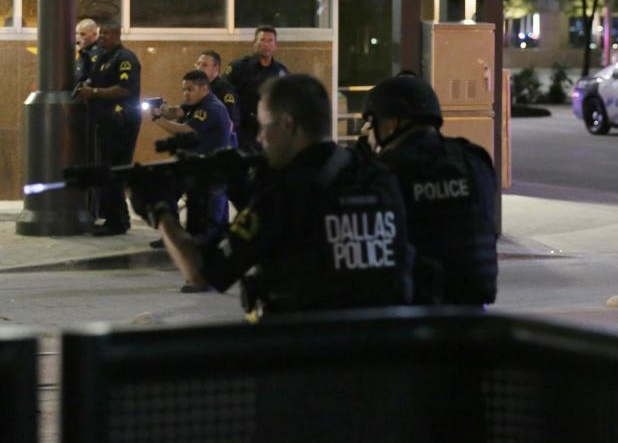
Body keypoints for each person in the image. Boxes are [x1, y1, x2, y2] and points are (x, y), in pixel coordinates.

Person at [132, 74, 413, 319]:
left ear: (288, 124)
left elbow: (203, 271)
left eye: (265, 126)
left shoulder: (285, 190)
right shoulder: (378, 177)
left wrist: (159, 211)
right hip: (380, 350)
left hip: (307, 354)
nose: (260, 139)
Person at [361, 75, 498, 306]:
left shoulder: (387, 170)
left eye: (374, 123)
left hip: (418, 313)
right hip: (474, 308)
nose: (371, 133)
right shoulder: (474, 159)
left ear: (392, 123)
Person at [150, 70, 233, 270]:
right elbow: (179, 110)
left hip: (210, 171)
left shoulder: (211, 108)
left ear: (204, 87)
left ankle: (206, 267)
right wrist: (163, 109)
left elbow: (187, 130)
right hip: (196, 167)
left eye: (190, 89)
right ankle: (180, 239)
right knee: (166, 192)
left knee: (208, 221)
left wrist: (158, 120)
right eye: (184, 89)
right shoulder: (199, 103)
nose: (186, 93)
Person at [76, 21, 141, 236]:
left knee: (115, 170)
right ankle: (114, 217)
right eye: (100, 33)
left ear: (117, 34)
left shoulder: (125, 58)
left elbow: (124, 89)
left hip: (122, 123)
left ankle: (118, 221)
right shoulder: (102, 58)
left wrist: (93, 92)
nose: (101, 37)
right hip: (105, 123)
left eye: (106, 33)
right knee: (107, 170)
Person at [226, 26, 288, 153]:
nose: (266, 44)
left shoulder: (281, 72)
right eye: (262, 40)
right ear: (254, 43)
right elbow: (225, 94)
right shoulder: (239, 67)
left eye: (270, 41)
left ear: (275, 45)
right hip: (244, 131)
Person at [194, 50, 240, 146]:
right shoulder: (198, 89)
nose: (199, 68)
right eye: (198, 64)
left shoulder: (223, 89)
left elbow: (230, 122)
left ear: (216, 68)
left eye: (204, 65)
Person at [74, 18, 99, 85]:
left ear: (94, 35)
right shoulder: (79, 51)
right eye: (76, 33)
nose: (78, 37)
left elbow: (83, 76)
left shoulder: (98, 53)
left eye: (83, 34)